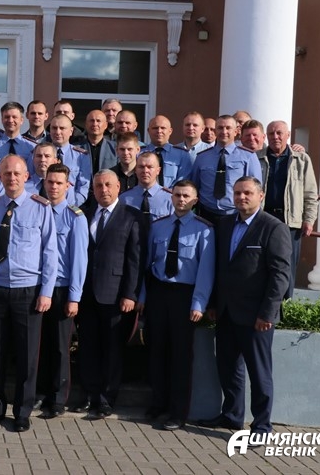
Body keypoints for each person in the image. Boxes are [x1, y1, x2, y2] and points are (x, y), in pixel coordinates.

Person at [198, 177, 291, 443]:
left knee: (259, 373)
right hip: (227, 312)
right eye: (237, 193)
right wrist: (214, 303)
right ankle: (232, 415)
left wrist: (268, 313)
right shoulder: (225, 224)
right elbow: (219, 268)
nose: (241, 197)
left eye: (247, 193)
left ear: (261, 196)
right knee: (228, 368)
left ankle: (261, 427)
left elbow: (280, 275)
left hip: (256, 317)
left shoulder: (273, 228)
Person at [0, 155, 57, 433]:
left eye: (16, 174)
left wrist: (46, 292)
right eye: (6, 173)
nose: (11, 178)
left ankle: (22, 411)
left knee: (27, 356)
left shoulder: (41, 207)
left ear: (26, 177)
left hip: (28, 291)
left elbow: (50, 252)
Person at [138, 180, 215, 431]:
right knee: (157, 350)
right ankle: (158, 404)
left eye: (186, 196)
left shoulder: (204, 229)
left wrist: (198, 303)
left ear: (195, 201)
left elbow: (205, 271)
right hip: (159, 293)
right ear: (171, 197)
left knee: (181, 356)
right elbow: (147, 266)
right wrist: (143, 297)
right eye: (178, 195)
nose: (181, 200)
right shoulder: (158, 226)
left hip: (185, 295)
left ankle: (177, 412)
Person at [74, 169, 141, 420]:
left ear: (118, 187)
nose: (103, 190)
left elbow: (135, 259)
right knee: (88, 346)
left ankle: (106, 399)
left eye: (108, 185)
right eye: (99, 186)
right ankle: (88, 394)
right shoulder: (85, 214)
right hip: (87, 292)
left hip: (115, 295)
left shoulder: (131, 216)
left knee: (112, 349)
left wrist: (130, 294)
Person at [35, 163, 88, 419]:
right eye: (50, 182)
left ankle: (57, 398)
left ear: (68, 186)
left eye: (59, 183)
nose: (54, 187)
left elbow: (79, 260)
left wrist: (74, 297)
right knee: (39, 344)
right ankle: (40, 392)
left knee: (59, 346)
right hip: (38, 287)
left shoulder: (75, 217)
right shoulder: (37, 211)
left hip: (61, 288)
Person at [259, 121, 318, 298]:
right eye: (271, 134)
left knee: (287, 265)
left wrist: (309, 219)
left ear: (288, 135)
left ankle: (286, 303)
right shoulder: (257, 158)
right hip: (263, 218)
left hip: (290, 221)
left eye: (279, 133)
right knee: (261, 262)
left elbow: (310, 193)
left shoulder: (301, 159)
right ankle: (263, 302)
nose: (275, 137)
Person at [192, 115, 262, 225]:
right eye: (220, 128)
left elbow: (256, 190)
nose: (224, 131)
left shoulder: (248, 156)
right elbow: (194, 186)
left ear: (236, 131)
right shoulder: (202, 157)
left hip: (235, 214)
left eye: (228, 128)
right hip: (206, 214)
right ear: (215, 131)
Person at [119, 152, 174, 227]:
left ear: (158, 170)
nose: (145, 171)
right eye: (141, 167)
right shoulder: (124, 198)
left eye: (150, 167)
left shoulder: (170, 198)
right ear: (135, 170)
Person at [47, 113, 91, 205]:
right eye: (54, 128)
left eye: (62, 128)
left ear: (71, 131)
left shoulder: (81, 156)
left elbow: (83, 186)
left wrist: (72, 206)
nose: (58, 132)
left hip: (71, 206)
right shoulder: (41, 154)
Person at [141, 115, 192, 188]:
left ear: (170, 131)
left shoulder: (182, 154)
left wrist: (168, 193)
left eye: (163, 128)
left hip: (172, 194)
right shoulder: (139, 153)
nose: (159, 131)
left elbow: (183, 181)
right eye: (155, 128)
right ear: (148, 131)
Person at [75, 109, 117, 176]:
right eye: (92, 121)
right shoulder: (76, 148)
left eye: (98, 121)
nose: (95, 124)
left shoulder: (115, 148)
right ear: (86, 124)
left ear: (106, 125)